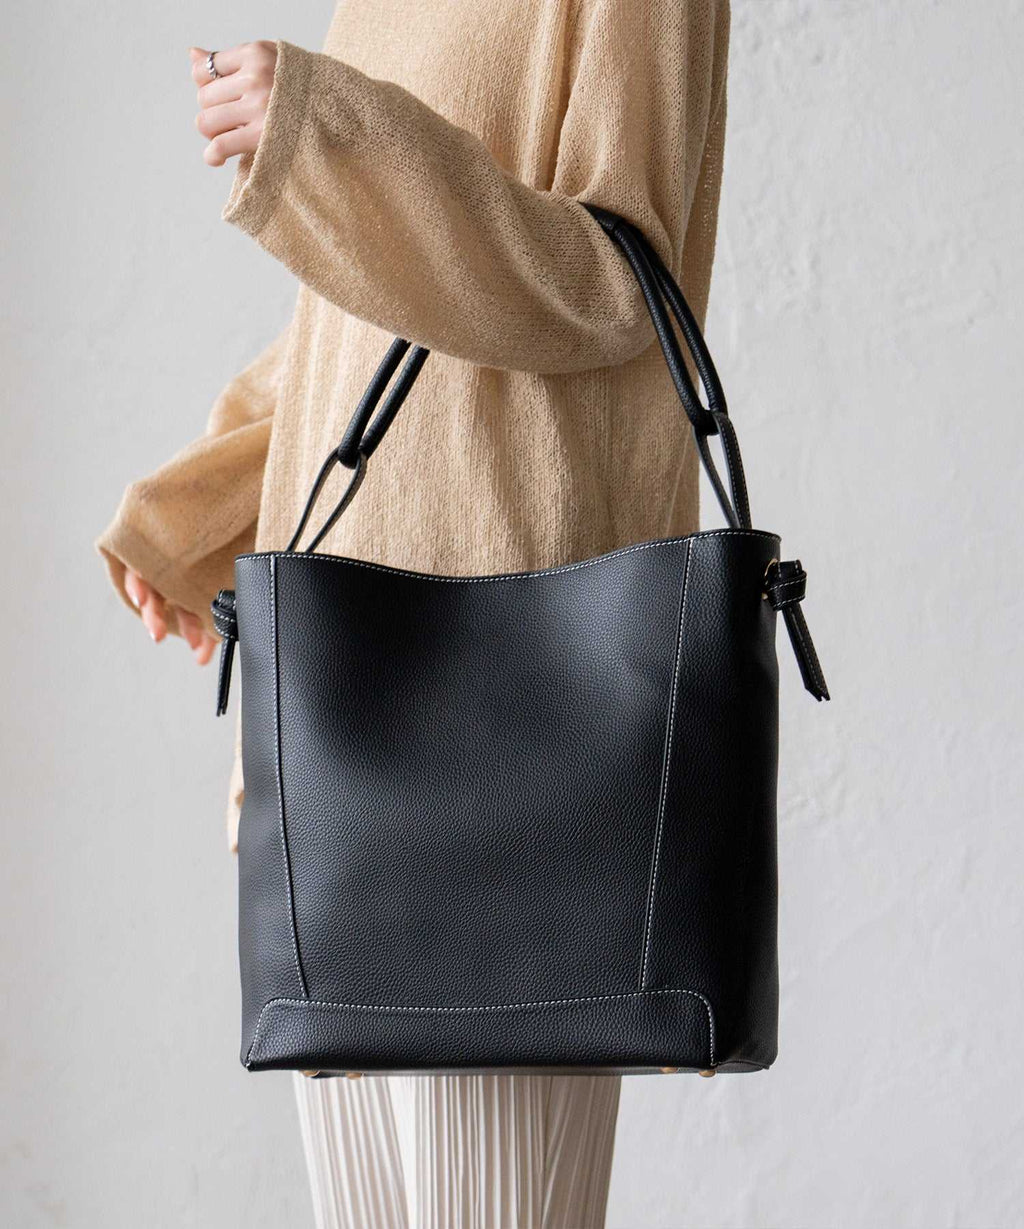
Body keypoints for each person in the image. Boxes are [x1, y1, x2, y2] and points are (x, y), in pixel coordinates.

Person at [94, 2, 732, 1224]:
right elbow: (365, 325)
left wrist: (330, 133)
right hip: (336, 719)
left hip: (510, 724)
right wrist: (193, 512)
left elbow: (614, 279)